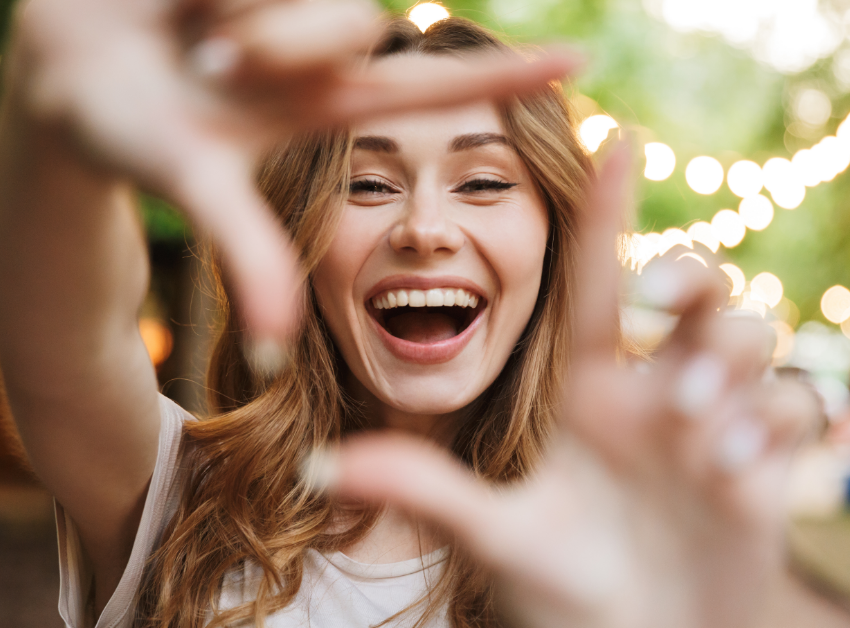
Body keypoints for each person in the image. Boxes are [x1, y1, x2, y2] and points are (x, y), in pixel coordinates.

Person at [0, 0, 820, 627]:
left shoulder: (645, 531)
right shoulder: (176, 493)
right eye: (367, 184)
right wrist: (53, 130)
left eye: (485, 182)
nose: (424, 229)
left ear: (555, 241)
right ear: (301, 242)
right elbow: (65, 339)